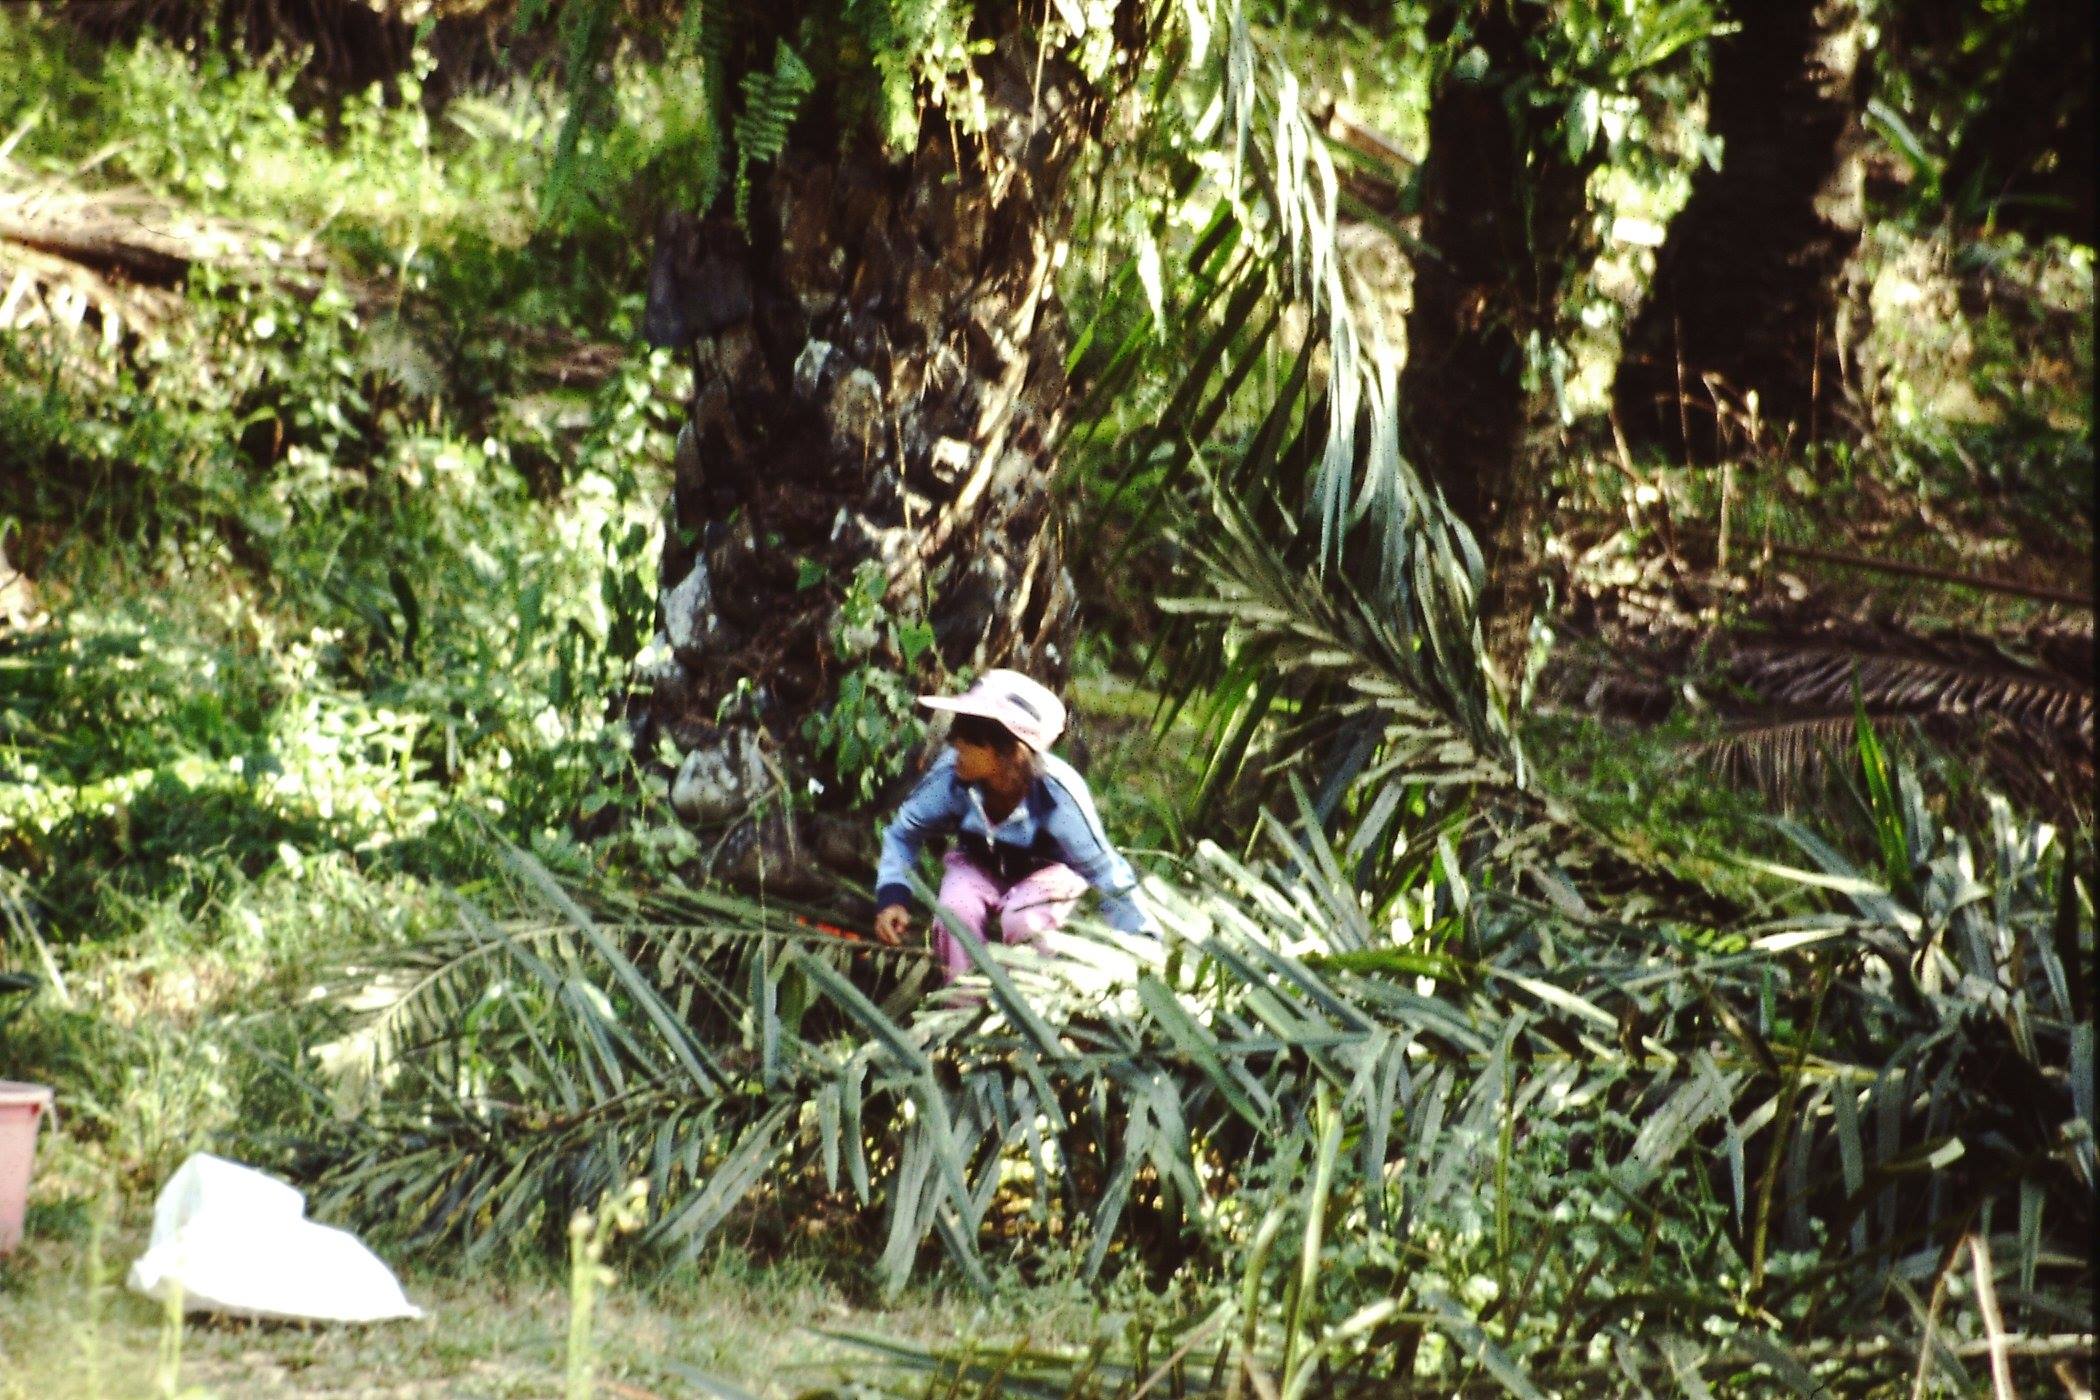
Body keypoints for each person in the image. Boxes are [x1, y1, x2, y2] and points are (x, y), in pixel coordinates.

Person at [872, 669, 1156, 978]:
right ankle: (961, 1008)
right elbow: (903, 833)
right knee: (955, 914)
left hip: (1047, 875)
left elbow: (1105, 872)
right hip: (976, 866)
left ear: (1009, 750)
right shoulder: (951, 778)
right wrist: (893, 896)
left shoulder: (1059, 797)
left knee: (1023, 922)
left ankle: (1027, 1010)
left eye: (968, 738)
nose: (955, 744)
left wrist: (1144, 944)